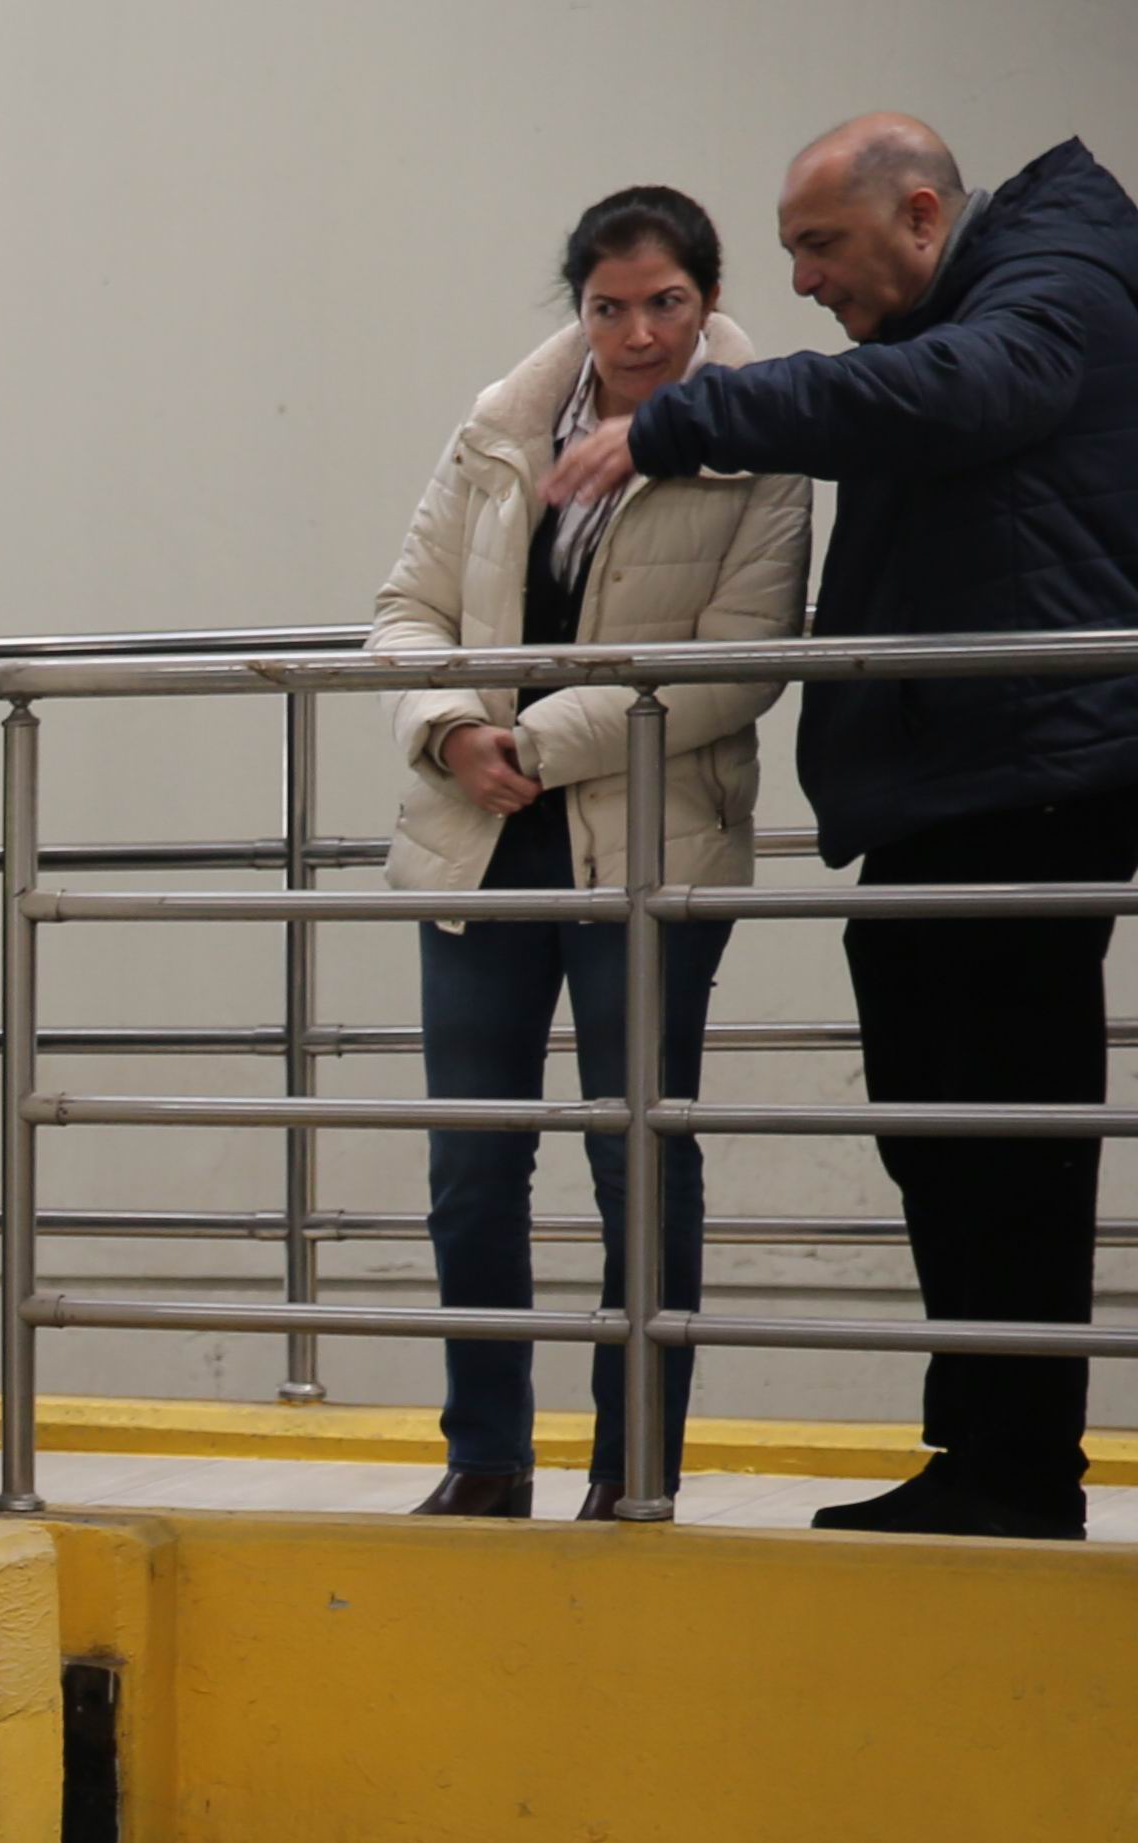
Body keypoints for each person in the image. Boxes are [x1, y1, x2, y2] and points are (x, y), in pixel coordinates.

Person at [566, 119, 1138, 1541]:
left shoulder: (1052, 286)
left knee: (994, 1135)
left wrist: (684, 420)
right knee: (949, 1131)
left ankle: (1014, 1471)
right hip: (969, 779)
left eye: (822, 247)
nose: (808, 284)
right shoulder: (999, 284)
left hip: (1026, 778)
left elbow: (955, 393)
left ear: (924, 214)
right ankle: (990, 1458)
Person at [371, 187, 811, 1520]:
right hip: (483, 838)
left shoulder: (762, 438)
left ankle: (635, 1470)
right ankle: (487, 1456)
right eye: (608, 306)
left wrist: (540, 738)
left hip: (647, 844)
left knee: (638, 1157)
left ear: (710, 299)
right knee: (472, 1161)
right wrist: (450, 730)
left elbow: (743, 665)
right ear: (579, 305)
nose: (637, 333)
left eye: (665, 304)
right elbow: (404, 609)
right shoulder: (503, 424)